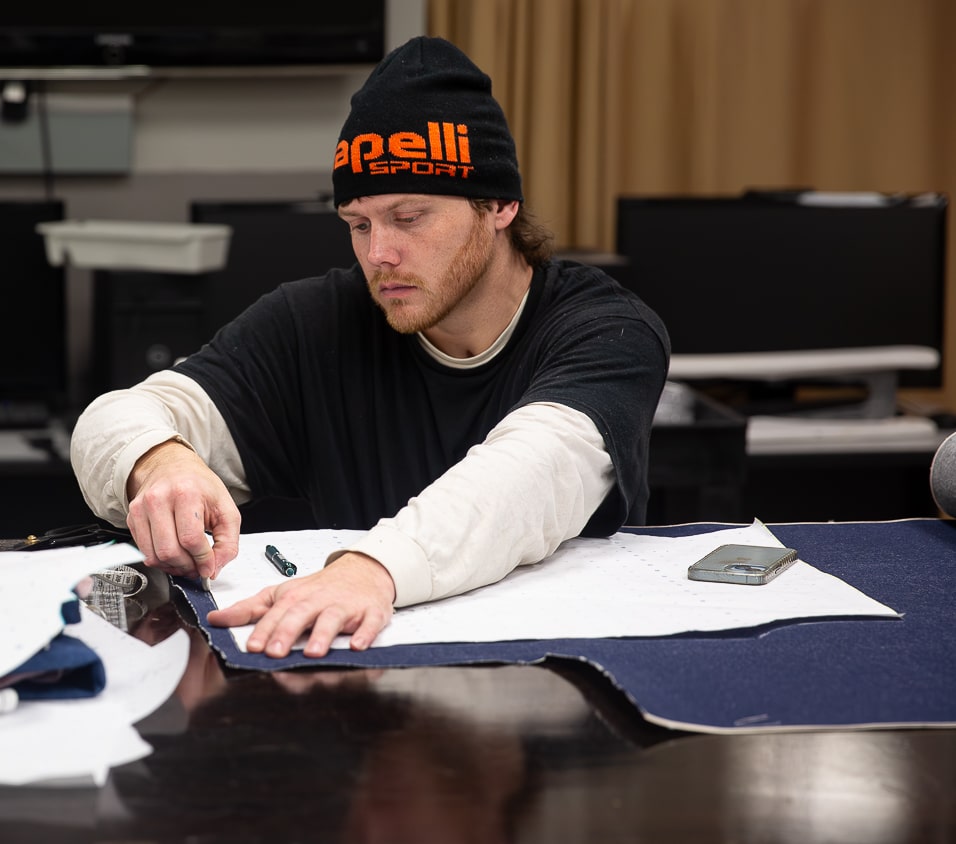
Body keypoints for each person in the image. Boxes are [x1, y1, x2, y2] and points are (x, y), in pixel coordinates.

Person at [71, 36, 670, 659]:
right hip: (363, 673)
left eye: (409, 218)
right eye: (359, 224)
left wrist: (371, 570)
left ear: (499, 204)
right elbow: (114, 418)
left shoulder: (607, 330)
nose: (379, 253)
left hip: (561, 676)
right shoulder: (315, 323)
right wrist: (161, 461)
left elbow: (536, 474)